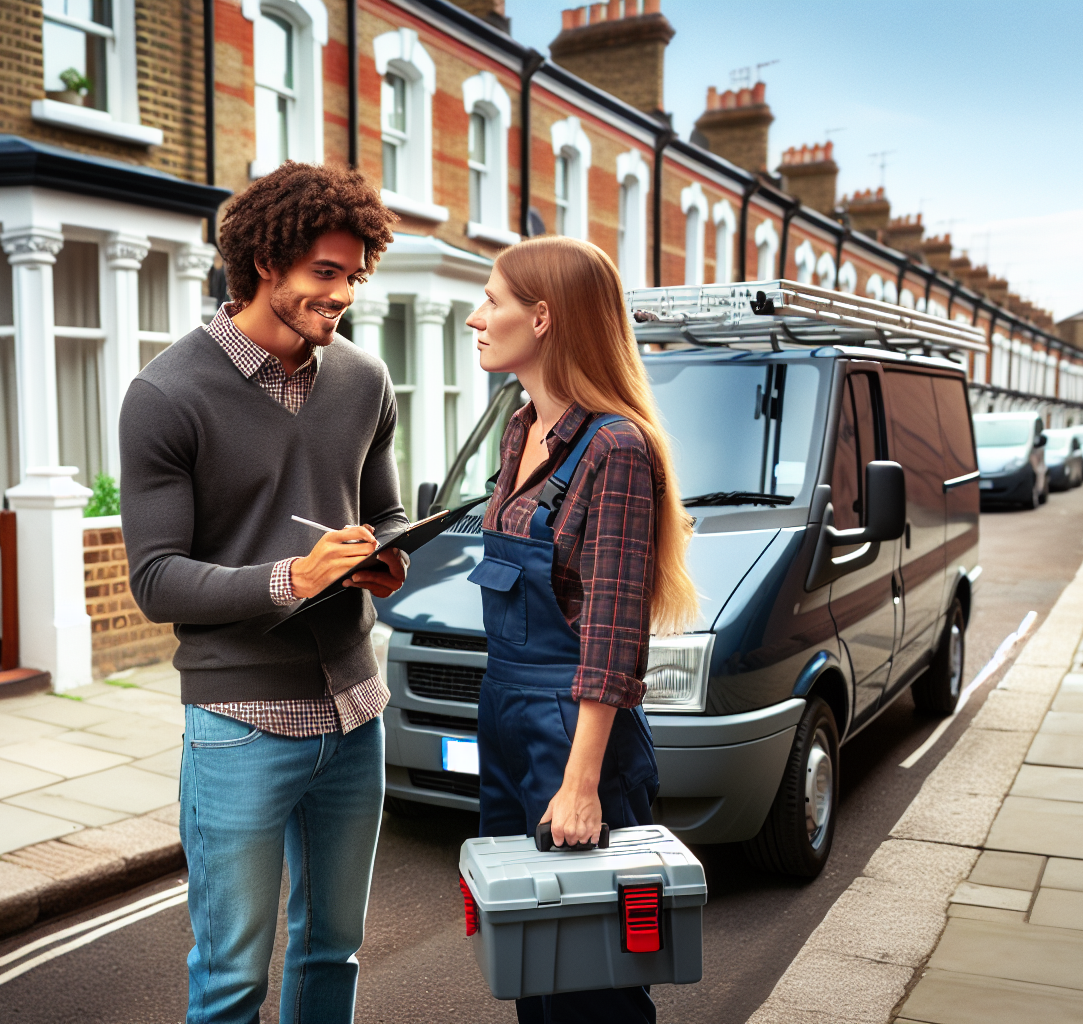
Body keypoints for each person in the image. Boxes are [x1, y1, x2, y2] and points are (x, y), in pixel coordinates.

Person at [120, 161, 407, 1024]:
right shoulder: (166, 394)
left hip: (357, 713)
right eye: (326, 273)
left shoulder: (365, 380)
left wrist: (387, 559)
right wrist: (294, 577)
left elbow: (387, 512)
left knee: (333, 954)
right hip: (241, 725)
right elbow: (157, 579)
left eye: (355, 277)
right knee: (232, 977)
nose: (343, 295)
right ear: (264, 262)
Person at [463, 236, 698, 1024]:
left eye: (491, 301)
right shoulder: (520, 427)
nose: (476, 317)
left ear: (542, 317)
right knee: (531, 951)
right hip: (507, 715)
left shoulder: (616, 449)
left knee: (592, 980)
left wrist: (581, 782)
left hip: (573, 724)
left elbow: (613, 634)